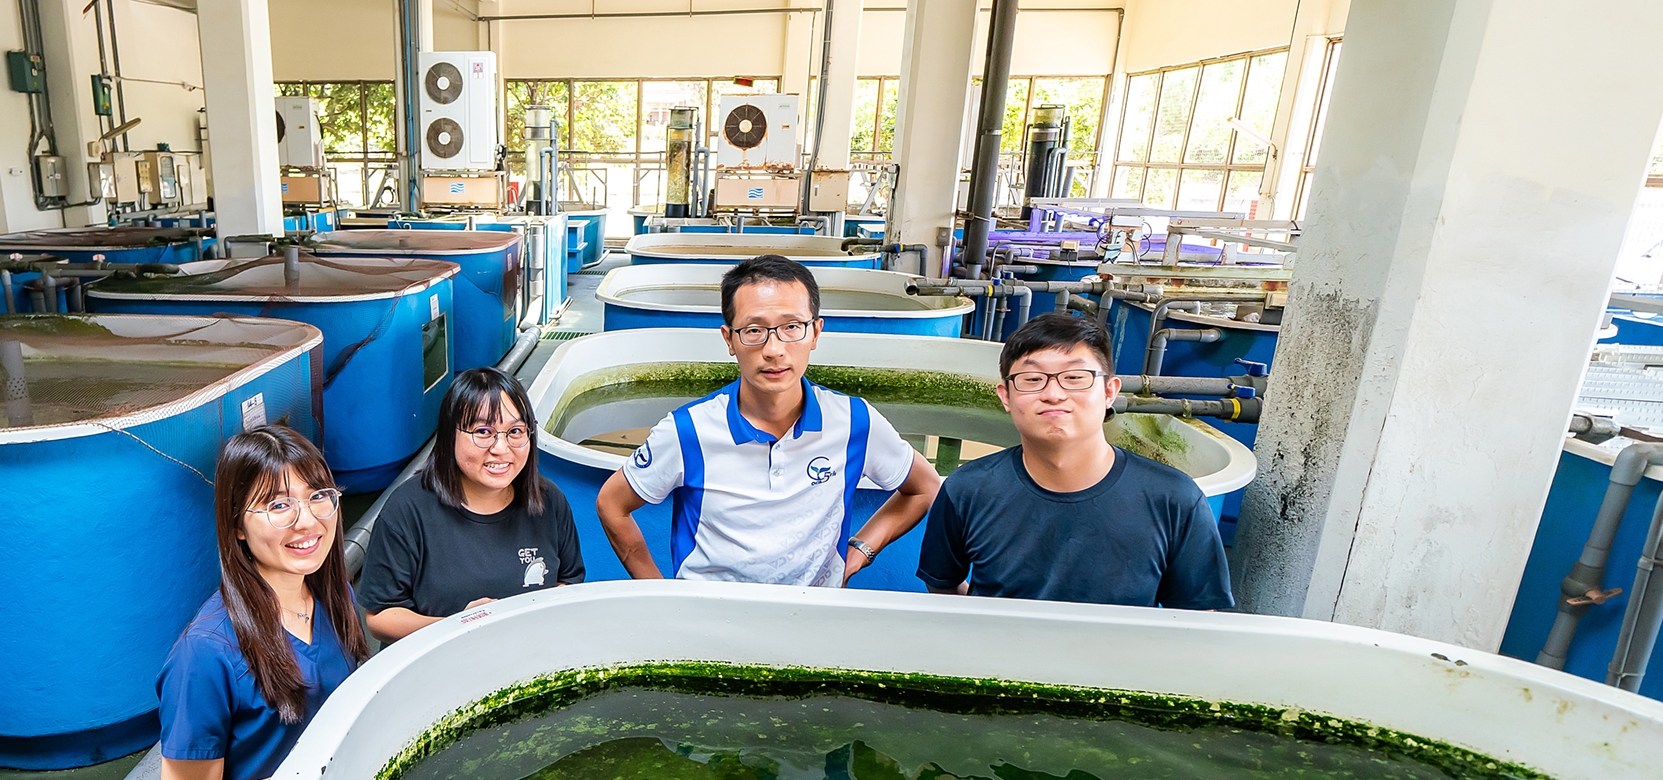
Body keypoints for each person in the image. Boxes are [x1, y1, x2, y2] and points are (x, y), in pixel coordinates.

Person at [596, 253, 941, 586]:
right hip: (708, 618)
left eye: (792, 327)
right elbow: (612, 503)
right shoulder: (689, 431)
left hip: (814, 614)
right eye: (753, 330)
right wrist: (662, 594)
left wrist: (860, 552)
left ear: (816, 332)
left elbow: (924, 488)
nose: (774, 349)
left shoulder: (853, 422)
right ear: (729, 339)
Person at [158, 424, 369, 780]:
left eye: (319, 497)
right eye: (278, 505)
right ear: (237, 524)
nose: (308, 521)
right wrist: (320, 772)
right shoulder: (205, 654)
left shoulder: (334, 596)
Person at [917, 312, 1233, 610]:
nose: (1053, 394)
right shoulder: (968, 489)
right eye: (1032, 379)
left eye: (1074, 377)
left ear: (1109, 392)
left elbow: (1196, 616)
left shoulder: (1174, 499)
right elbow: (944, 586)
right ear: (1005, 396)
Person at [358, 366, 586, 643]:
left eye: (515, 431)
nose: (501, 448)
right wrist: (460, 626)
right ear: (449, 434)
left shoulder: (549, 500)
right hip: (439, 659)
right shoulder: (407, 510)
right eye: (483, 431)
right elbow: (380, 617)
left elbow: (568, 581)